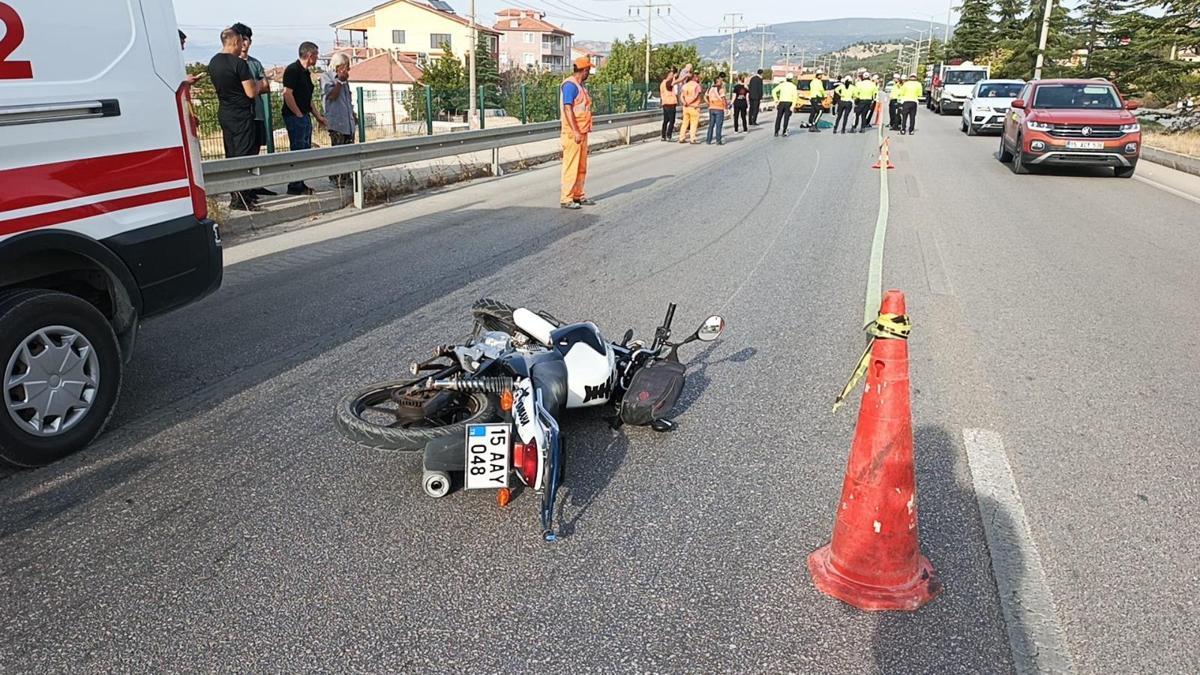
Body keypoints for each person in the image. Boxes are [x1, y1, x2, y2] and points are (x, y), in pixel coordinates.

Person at [207, 28, 259, 210]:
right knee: (244, 156)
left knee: (231, 154)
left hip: (225, 112)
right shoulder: (238, 63)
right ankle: (242, 199)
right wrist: (260, 84)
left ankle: (234, 195)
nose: (242, 47)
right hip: (241, 114)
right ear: (235, 42)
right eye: (240, 43)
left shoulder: (213, 63)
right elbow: (251, 92)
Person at [232, 23, 275, 197]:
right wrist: (256, 86)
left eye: (247, 40)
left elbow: (266, 87)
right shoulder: (232, 63)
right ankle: (243, 190)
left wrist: (255, 87)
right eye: (241, 39)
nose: (244, 43)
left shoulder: (255, 63)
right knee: (243, 151)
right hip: (241, 116)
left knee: (256, 149)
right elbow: (246, 90)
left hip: (257, 113)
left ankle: (255, 185)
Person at [281, 41, 326, 195]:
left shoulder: (306, 72)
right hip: (295, 117)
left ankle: (300, 182)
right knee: (298, 149)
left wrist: (317, 116)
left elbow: (308, 98)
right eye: (316, 55)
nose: (317, 58)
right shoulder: (293, 70)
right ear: (309, 55)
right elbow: (287, 93)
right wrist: (298, 113)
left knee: (305, 149)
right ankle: (294, 184)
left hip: (304, 115)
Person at [559, 56, 594, 209]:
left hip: (582, 131)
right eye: (588, 70)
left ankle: (578, 195)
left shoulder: (580, 87)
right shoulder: (570, 86)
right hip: (573, 133)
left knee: (581, 166)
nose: (589, 73)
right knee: (571, 166)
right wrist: (575, 131)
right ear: (584, 70)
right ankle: (566, 198)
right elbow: (568, 108)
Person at [322, 52, 357, 186]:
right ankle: (336, 178)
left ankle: (346, 177)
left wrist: (353, 115)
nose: (348, 70)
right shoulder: (327, 77)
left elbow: (347, 99)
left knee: (348, 152)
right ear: (339, 66)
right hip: (337, 122)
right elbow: (331, 96)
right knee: (337, 152)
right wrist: (340, 81)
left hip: (347, 122)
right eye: (346, 66)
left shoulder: (345, 81)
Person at [678, 73, 703, 144]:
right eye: (697, 77)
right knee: (694, 124)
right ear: (694, 78)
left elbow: (681, 96)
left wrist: (684, 102)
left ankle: (681, 138)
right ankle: (692, 139)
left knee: (684, 123)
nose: (698, 78)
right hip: (694, 107)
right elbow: (696, 96)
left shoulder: (685, 86)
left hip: (685, 107)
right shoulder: (697, 86)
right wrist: (690, 102)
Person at [772, 73, 798, 137]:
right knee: (786, 118)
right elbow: (795, 97)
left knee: (779, 117)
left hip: (781, 103)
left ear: (786, 78)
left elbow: (773, 91)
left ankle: (776, 131)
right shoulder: (793, 86)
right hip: (789, 103)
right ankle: (784, 132)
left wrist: (776, 100)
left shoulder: (782, 85)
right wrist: (793, 106)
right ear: (792, 79)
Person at [706, 73, 728, 145]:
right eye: (720, 80)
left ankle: (708, 140)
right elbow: (723, 99)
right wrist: (726, 108)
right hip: (719, 109)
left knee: (711, 125)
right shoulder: (720, 89)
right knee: (719, 125)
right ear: (717, 81)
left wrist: (709, 103)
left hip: (711, 108)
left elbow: (705, 96)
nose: (721, 81)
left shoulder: (710, 88)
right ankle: (718, 140)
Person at [659, 68, 678, 141]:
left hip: (665, 103)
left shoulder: (662, 83)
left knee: (665, 120)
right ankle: (669, 136)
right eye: (671, 75)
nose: (672, 76)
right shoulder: (668, 83)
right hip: (670, 103)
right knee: (672, 121)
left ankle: (663, 136)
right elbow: (674, 83)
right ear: (668, 75)